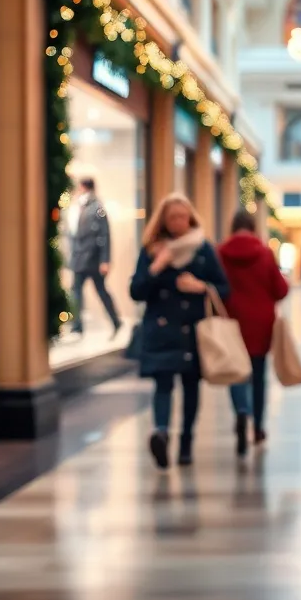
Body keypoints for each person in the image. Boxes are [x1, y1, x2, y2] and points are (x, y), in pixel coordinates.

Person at [130, 193, 230, 469]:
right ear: (163, 220)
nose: (178, 222)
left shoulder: (203, 249)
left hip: (193, 330)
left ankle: (186, 441)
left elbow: (223, 288)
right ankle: (161, 434)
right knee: (162, 384)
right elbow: (136, 290)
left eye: (182, 216)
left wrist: (201, 287)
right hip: (162, 329)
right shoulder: (152, 249)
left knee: (190, 387)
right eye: (172, 217)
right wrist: (156, 267)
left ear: (190, 218)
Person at [218, 211, 289, 455]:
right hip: (261, 323)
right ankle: (257, 427)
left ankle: (241, 411)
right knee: (258, 377)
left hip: (231, 322)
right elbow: (280, 290)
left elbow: (217, 287)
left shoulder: (220, 253)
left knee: (235, 372)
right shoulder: (265, 253)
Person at [68, 176, 122, 339]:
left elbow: (104, 235)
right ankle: (78, 326)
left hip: (92, 258)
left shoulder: (97, 208)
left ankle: (115, 321)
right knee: (76, 290)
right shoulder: (81, 207)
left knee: (100, 291)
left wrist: (105, 260)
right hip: (81, 258)